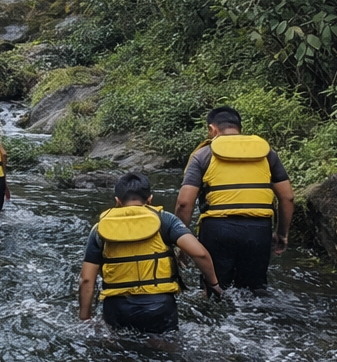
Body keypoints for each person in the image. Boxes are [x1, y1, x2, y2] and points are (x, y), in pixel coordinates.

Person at [79, 171, 224, 333]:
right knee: (165, 350)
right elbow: (200, 254)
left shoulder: (99, 229)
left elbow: (86, 280)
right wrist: (213, 284)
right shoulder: (165, 220)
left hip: (117, 308)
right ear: (150, 199)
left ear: (117, 201)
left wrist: (85, 318)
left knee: (119, 352)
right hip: (159, 306)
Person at [174, 106, 295, 290]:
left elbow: (184, 203)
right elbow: (287, 198)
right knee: (254, 291)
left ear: (212, 129)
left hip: (217, 229)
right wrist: (281, 233)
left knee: (214, 289)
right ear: (239, 128)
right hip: (259, 229)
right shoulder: (266, 153)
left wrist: (181, 242)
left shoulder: (203, 155)